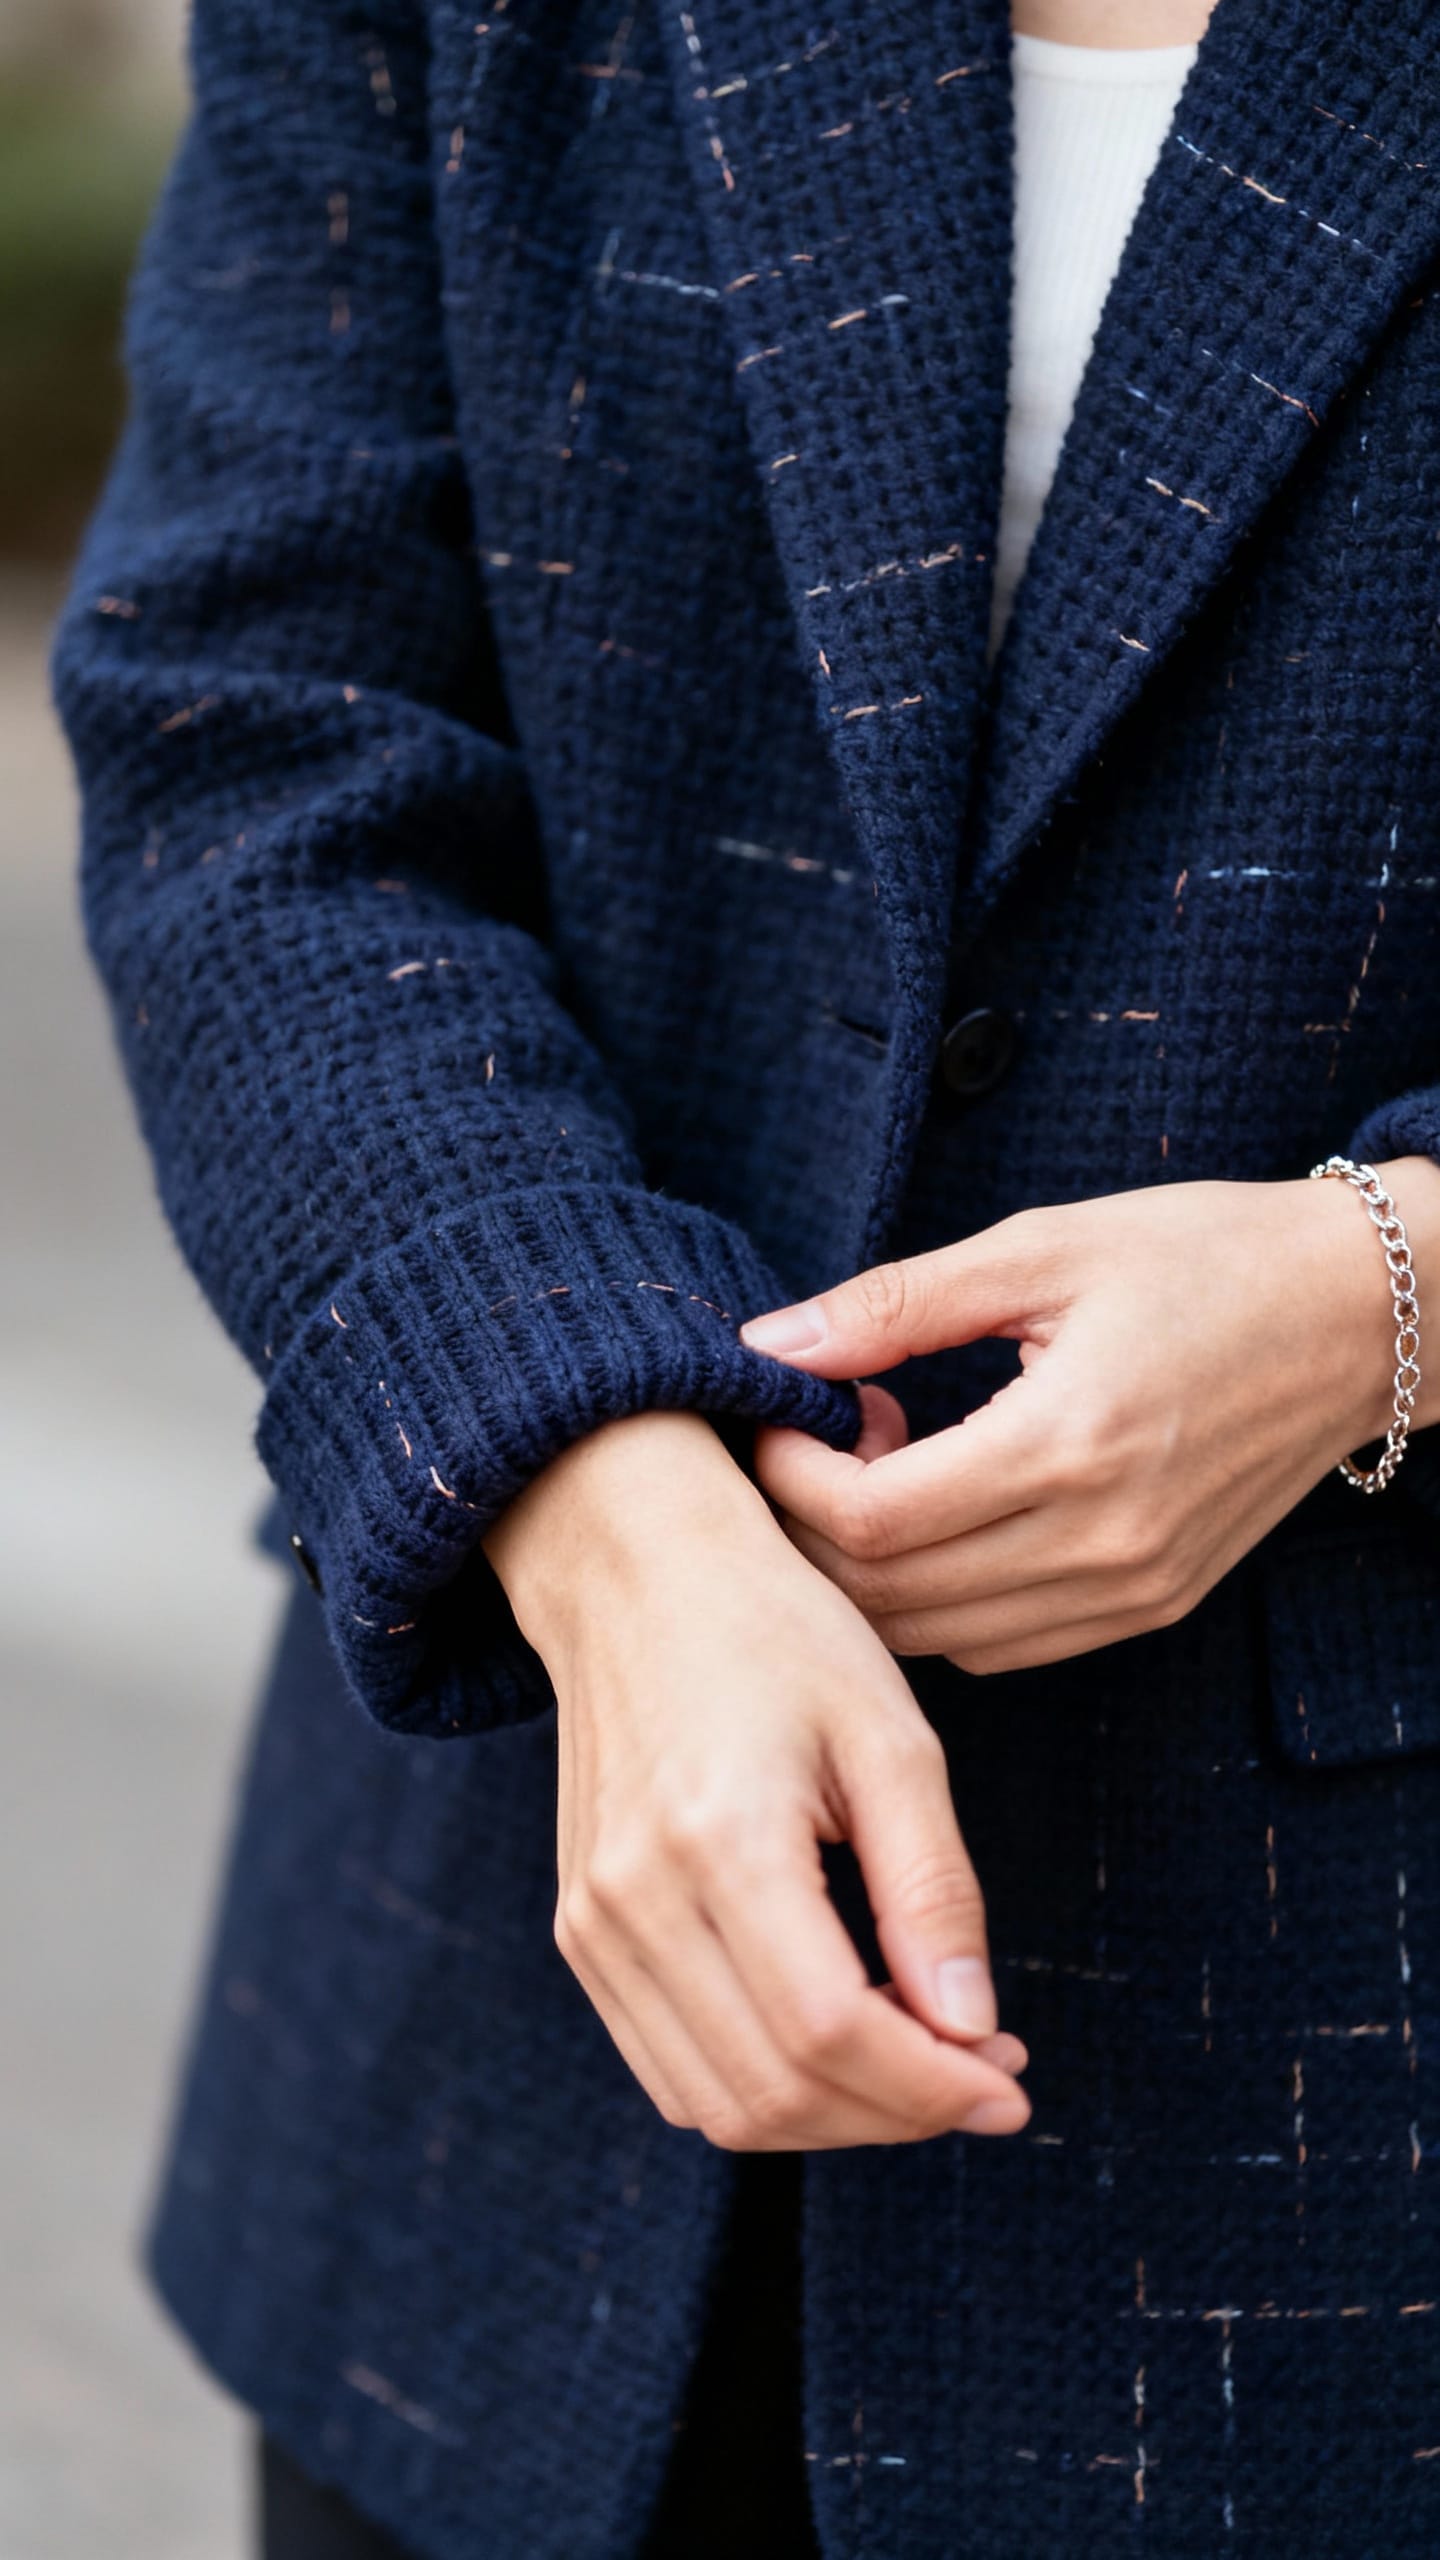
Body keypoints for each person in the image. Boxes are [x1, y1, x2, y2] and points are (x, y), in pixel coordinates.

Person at [53, 0, 1440, 2547]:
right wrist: (581, 1463)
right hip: (503, 2105)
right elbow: (260, 725)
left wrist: (1399, 1285)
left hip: (1351, 2171)